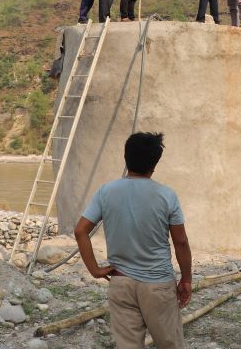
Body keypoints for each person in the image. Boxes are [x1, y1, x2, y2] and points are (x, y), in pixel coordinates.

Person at [74, 132, 192, 349]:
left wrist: (94, 269)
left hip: (121, 283)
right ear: (154, 165)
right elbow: (181, 242)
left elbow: (81, 230)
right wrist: (186, 279)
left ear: (125, 158)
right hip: (158, 285)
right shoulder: (167, 195)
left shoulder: (106, 191)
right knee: (170, 344)